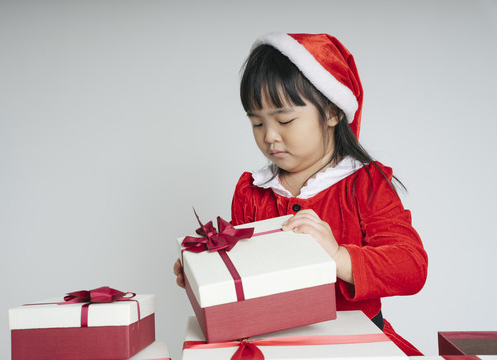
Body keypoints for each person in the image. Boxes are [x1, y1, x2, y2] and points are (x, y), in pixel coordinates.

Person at [174, 32, 428, 356]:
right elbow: (248, 285)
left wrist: (337, 257)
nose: (270, 137)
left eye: (285, 119)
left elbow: (410, 267)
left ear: (333, 112)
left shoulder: (365, 185)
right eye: (257, 123)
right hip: (278, 348)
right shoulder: (252, 193)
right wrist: (207, 276)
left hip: (355, 347)